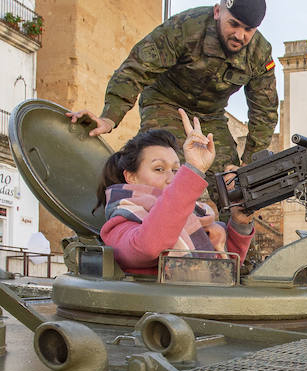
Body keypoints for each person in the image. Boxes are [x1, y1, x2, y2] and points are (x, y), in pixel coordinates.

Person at [70, 0, 278, 170]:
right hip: (165, 102)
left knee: (227, 184)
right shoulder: (186, 27)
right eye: (233, 24)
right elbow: (137, 67)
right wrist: (109, 118)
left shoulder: (259, 54)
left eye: (248, 30)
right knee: (165, 163)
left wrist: (248, 163)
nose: (239, 35)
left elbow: (264, 112)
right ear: (217, 12)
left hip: (210, 117)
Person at [96, 113, 256, 275]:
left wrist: (239, 222)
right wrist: (193, 170)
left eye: (176, 171)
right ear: (131, 177)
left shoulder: (193, 219)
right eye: (159, 169)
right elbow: (148, 245)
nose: (171, 179)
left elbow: (221, 270)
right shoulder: (120, 225)